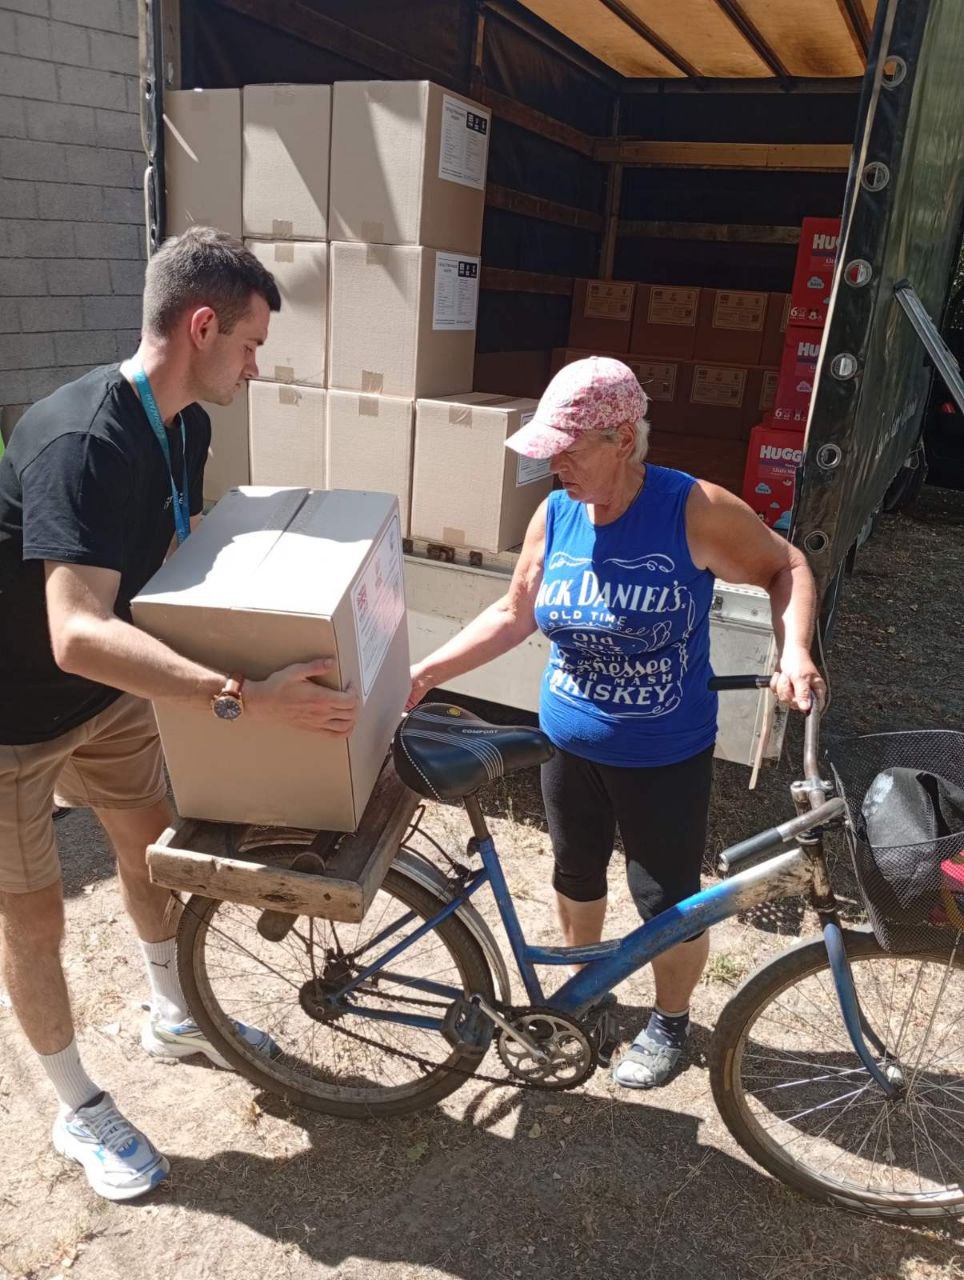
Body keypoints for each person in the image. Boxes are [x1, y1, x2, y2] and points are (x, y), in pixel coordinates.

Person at [0, 227, 358, 1201]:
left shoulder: (185, 423)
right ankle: (77, 1106)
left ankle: (173, 1012)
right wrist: (237, 694)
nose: (256, 367)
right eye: (250, 345)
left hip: (106, 694)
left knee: (151, 846)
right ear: (202, 326)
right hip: (12, 719)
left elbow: (176, 560)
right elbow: (75, 631)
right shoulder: (83, 441)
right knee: (34, 919)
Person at [408, 356, 825, 1090]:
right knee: (575, 873)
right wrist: (426, 672)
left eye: (569, 450)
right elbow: (514, 612)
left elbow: (784, 567)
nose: (554, 465)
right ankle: (589, 994)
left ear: (623, 440)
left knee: (668, 901)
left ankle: (670, 1021)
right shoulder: (556, 513)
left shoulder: (691, 509)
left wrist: (792, 650)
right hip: (567, 743)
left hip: (665, 752)